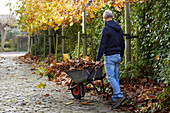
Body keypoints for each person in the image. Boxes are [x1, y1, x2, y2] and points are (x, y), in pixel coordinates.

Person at [95, 10, 125, 108]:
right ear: (111, 17)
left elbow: (102, 44)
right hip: (117, 56)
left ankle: (119, 95)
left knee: (110, 77)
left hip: (110, 56)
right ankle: (115, 98)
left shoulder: (106, 29)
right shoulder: (119, 28)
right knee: (115, 77)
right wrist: (121, 55)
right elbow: (122, 43)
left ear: (105, 18)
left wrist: (98, 59)